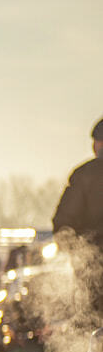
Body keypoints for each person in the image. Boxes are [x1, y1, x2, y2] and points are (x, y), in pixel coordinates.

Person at [53, 117, 103, 319]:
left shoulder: (85, 175)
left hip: (94, 264)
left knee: (92, 322)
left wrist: (76, 254)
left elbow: (64, 223)